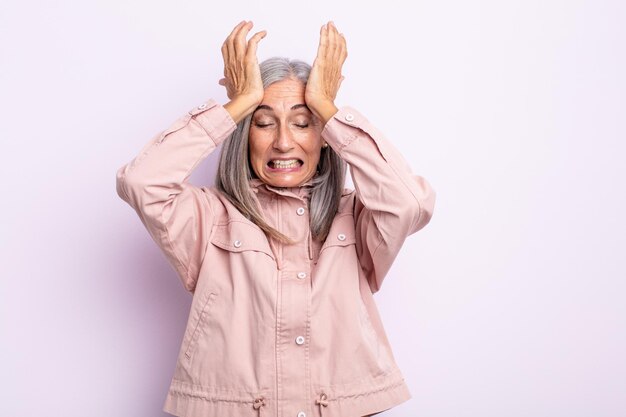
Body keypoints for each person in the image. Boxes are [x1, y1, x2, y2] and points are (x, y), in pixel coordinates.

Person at [116, 20, 436, 417]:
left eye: (303, 123)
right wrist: (237, 104)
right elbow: (142, 181)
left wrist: (329, 110)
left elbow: (407, 202)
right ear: (243, 133)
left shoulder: (356, 217)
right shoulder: (208, 217)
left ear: (325, 139)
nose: (284, 141)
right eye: (263, 122)